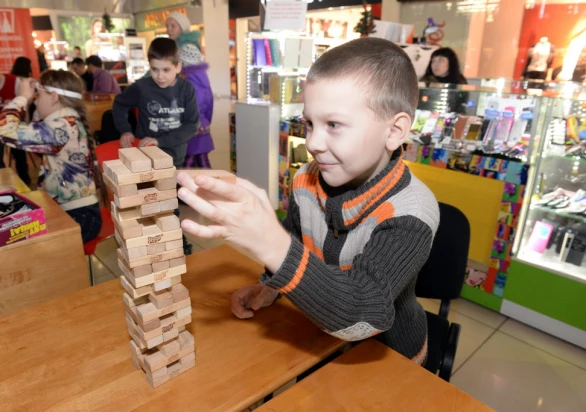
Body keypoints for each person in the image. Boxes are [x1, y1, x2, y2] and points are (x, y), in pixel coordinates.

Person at [176, 38, 440, 364]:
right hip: (315, 335)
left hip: (388, 358)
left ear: (395, 130)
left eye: (334, 125)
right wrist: (271, 286)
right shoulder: (306, 178)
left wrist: (272, 245)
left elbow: (363, 315)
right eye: (309, 123)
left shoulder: (412, 211)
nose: (313, 142)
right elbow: (296, 239)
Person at [0, 70, 102, 243]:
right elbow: (36, 120)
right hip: (79, 212)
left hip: (78, 216)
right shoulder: (66, 122)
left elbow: (0, 130)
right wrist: (36, 92)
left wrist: (22, 98)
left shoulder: (60, 128)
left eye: (38, 96)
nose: (35, 100)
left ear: (54, 97)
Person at [113, 37, 199, 255]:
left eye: (166, 70)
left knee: (168, 201)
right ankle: (154, 243)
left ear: (178, 67)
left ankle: (178, 243)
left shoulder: (186, 89)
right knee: (148, 201)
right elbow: (119, 104)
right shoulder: (142, 87)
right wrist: (125, 129)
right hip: (145, 158)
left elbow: (191, 125)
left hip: (173, 156)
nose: (160, 76)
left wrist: (161, 141)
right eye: (154, 69)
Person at [179, 37, 214, 168]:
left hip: (189, 128)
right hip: (203, 127)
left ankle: (182, 185)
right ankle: (210, 186)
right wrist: (206, 122)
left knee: (189, 162)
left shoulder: (185, 84)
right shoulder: (205, 81)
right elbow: (210, 105)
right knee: (201, 159)